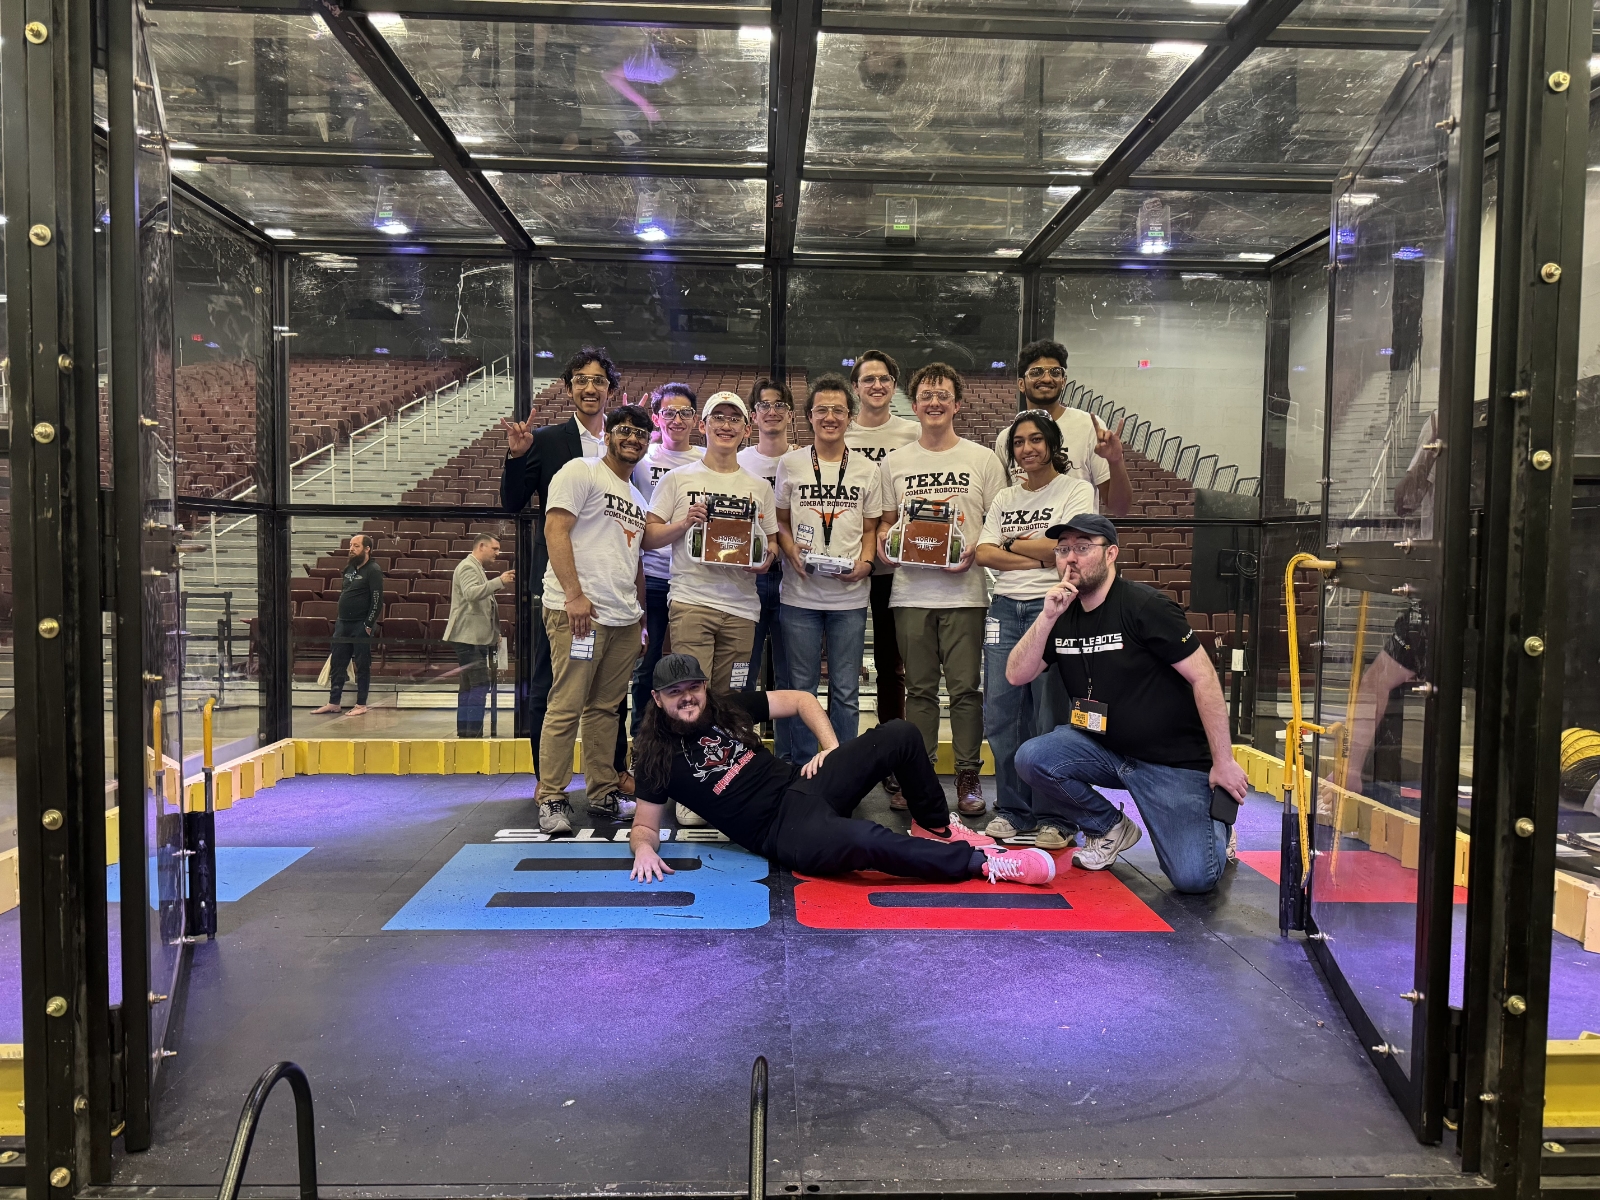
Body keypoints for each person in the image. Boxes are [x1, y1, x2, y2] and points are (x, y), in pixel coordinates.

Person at [626, 654, 1057, 887]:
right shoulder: (655, 755)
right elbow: (645, 826)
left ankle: (935, 826)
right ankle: (982, 864)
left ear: (703, 686)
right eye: (675, 692)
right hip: (783, 831)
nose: (687, 698)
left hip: (803, 783)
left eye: (693, 688)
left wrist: (829, 748)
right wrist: (644, 849)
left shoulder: (725, 705)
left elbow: (799, 699)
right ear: (658, 698)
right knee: (866, 839)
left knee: (901, 733)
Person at [1008, 514, 1249, 894]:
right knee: (1033, 757)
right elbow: (1016, 674)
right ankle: (1109, 828)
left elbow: (1204, 677)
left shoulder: (1145, 606)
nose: (1071, 558)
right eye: (1063, 549)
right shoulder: (1061, 614)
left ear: (1111, 554)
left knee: (1195, 879)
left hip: (1170, 762)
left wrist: (1224, 761)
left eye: (1083, 548)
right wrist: (1047, 616)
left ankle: (1217, 825)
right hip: (1104, 748)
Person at [878, 363, 1007, 819]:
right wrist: (887, 546)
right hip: (911, 591)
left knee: (967, 690)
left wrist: (977, 546)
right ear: (914, 406)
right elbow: (888, 524)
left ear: (957, 403)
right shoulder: (896, 462)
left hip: (966, 592)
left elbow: (998, 521)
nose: (934, 402)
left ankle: (969, 775)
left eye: (943, 395)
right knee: (919, 691)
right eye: (927, 395)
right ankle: (921, 775)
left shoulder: (983, 459)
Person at [645, 391, 777, 831]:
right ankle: (691, 791)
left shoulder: (758, 487)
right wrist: (687, 523)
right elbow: (650, 537)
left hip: (741, 607)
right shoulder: (679, 480)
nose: (726, 425)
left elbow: (770, 545)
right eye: (717, 417)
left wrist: (764, 557)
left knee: (730, 702)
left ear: (745, 428)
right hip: (692, 602)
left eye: (734, 418)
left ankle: (728, 782)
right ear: (703, 426)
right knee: (688, 703)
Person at [501, 346, 632, 786]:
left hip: (614, 592)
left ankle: (610, 775)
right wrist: (517, 457)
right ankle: (548, 780)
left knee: (609, 695)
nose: (589, 387)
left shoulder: (625, 445)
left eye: (598, 380)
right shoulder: (548, 441)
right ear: (569, 387)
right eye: (581, 379)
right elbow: (513, 503)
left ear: (611, 390)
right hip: (563, 590)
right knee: (549, 685)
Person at [974, 411, 1096, 844]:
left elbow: (1068, 549)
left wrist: (1015, 545)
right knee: (1002, 715)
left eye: (1036, 440)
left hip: (1055, 608)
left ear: (1052, 444)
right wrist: (1038, 553)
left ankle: (1056, 817)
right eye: (1019, 442)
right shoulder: (1005, 498)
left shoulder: (1076, 489)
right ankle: (1012, 809)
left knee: (1049, 716)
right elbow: (984, 553)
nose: (1027, 449)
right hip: (1005, 609)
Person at [536, 405, 654, 833]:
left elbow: (635, 559)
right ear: (610, 434)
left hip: (623, 619)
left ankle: (603, 791)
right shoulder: (580, 471)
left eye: (641, 434)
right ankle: (551, 796)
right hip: (580, 613)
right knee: (566, 705)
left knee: (606, 709)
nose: (633, 439)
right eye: (625, 431)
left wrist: (639, 619)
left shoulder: (638, 498)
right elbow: (555, 530)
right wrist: (574, 595)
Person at [774, 374, 883, 761]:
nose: (830, 416)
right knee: (801, 690)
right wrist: (791, 552)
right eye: (822, 409)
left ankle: (840, 769)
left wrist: (867, 563)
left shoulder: (868, 470)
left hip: (849, 599)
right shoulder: (791, 464)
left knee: (845, 691)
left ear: (850, 416)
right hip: (799, 595)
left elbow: (870, 528)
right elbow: (780, 521)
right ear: (809, 416)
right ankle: (805, 769)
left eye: (839, 409)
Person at [845, 350, 921, 808]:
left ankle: (893, 761)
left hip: (897, 568)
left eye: (884, 379)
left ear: (895, 387)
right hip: (851, 565)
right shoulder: (843, 432)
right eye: (868, 379)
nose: (876, 385)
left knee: (893, 667)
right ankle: (843, 760)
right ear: (855, 387)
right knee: (843, 667)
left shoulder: (912, 433)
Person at [628, 382, 704, 738]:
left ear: (696, 419)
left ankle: (683, 737)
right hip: (652, 576)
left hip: (690, 578)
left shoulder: (705, 460)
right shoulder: (642, 459)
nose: (677, 419)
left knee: (688, 668)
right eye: (669, 412)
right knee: (648, 664)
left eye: (685, 412)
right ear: (657, 418)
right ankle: (643, 739)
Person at [991, 340, 1132, 518]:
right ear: (1021, 384)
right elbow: (1001, 506)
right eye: (1036, 372)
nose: (1047, 379)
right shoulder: (1007, 438)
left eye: (1055, 372)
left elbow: (1120, 509)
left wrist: (1116, 461)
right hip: (1025, 541)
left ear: (1063, 380)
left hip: (1075, 540)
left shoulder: (1088, 426)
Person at [738, 376, 794, 760]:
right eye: (763, 405)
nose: (771, 411)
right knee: (743, 675)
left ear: (789, 413)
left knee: (792, 677)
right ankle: (743, 756)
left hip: (793, 578)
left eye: (778, 404)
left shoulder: (802, 461)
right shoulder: (738, 461)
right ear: (752, 415)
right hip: (749, 578)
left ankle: (792, 759)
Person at [443, 533, 515, 738]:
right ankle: (472, 735)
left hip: (473, 637)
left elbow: (485, 605)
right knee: (479, 684)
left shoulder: (476, 568)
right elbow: (471, 594)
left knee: (468, 686)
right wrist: (499, 581)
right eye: (495, 549)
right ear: (481, 546)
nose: (498, 553)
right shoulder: (467, 567)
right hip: (468, 638)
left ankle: (466, 733)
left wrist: (495, 633)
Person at [311, 532, 382, 717]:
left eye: (356, 546)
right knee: (338, 663)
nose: (351, 549)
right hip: (343, 624)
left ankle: (361, 704)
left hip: (361, 624)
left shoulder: (373, 570)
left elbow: (377, 600)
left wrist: (368, 624)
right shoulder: (349, 569)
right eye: (351, 545)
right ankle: (334, 702)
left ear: (367, 549)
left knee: (362, 664)